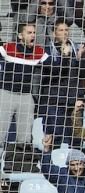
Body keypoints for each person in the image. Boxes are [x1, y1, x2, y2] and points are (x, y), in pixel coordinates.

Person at [0, 23, 49, 155]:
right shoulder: (8, 48)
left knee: (25, 136)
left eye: (34, 32)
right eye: (29, 32)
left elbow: (54, 67)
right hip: (6, 93)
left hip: (26, 96)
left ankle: (19, 163)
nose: (33, 35)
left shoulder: (39, 51)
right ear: (20, 35)